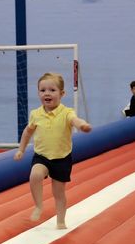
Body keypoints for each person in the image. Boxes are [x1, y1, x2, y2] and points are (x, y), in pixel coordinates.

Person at [14, 72, 91, 229]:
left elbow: (75, 120)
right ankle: (38, 205)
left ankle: (61, 221)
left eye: (52, 90)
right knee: (35, 175)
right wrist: (21, 149)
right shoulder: (36, 114)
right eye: (43, 90)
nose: (47, 93)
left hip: (62, 158)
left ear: (62, 94)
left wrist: (82, 125)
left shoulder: (66, 112)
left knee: (59, 193)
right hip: (42, 156)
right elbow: (28, 132)